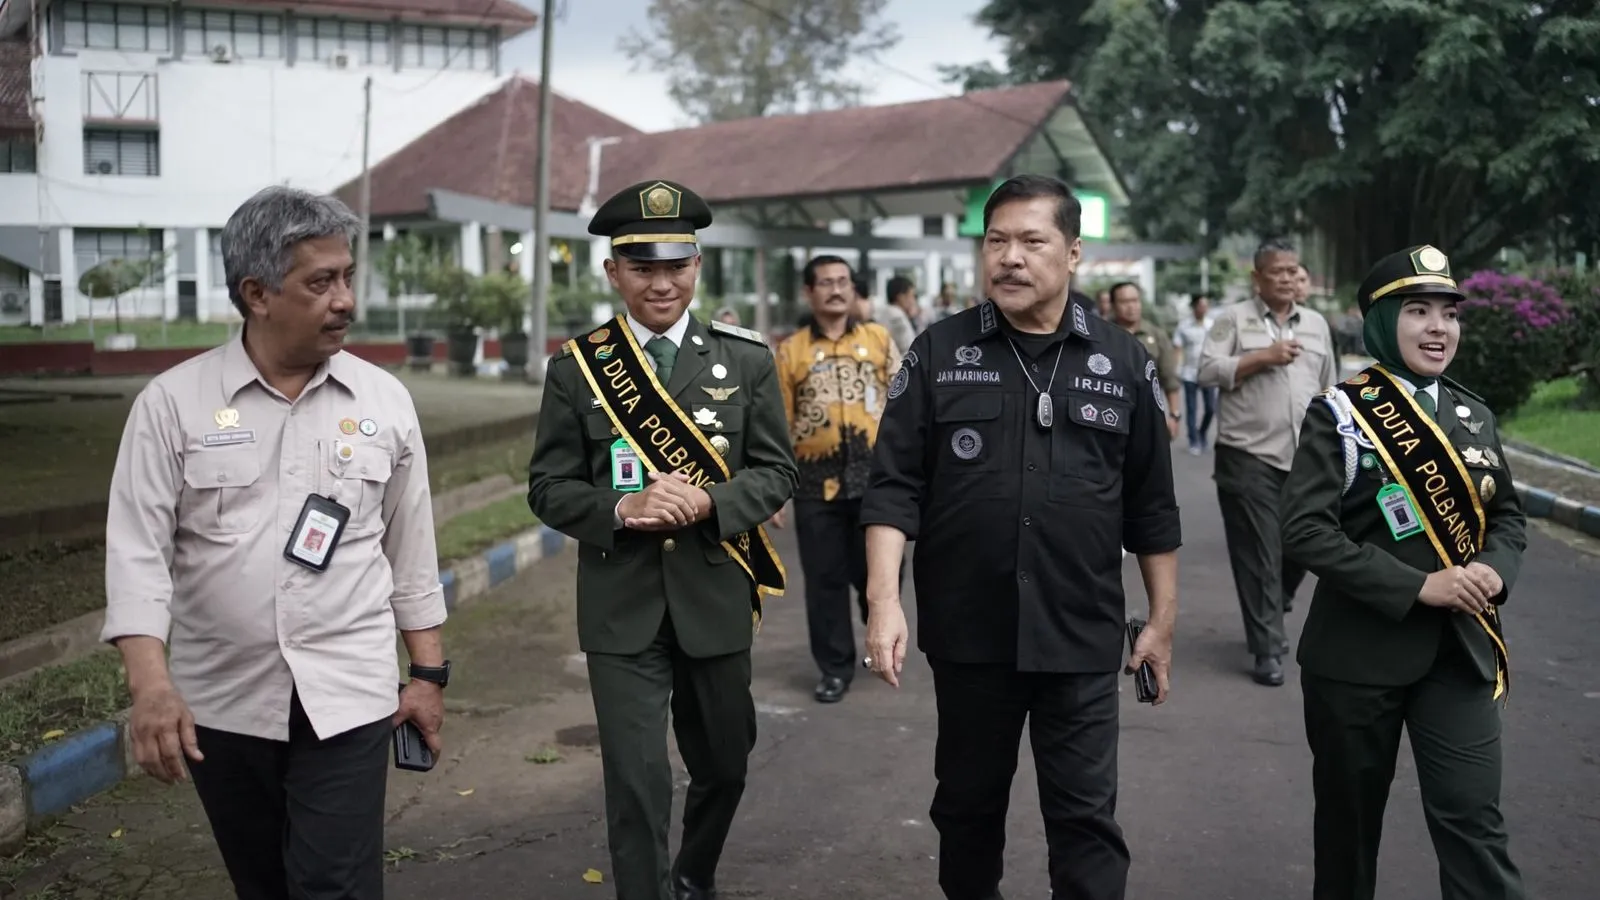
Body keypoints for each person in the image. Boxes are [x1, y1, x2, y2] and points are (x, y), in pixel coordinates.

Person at [102, 186, 450, 900]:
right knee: (262, 884)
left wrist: (428, 675)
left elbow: (411, 550)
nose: (346, 299)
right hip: (224, 703)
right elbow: (137, 554)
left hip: (348, 696)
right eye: (321, 282)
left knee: (332, 885)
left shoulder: (384, 402)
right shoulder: (172, 404)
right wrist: (152, 686)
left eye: (348, 276)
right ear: (256, 293)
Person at [860, 173, 1181, 900]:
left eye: (1031, 241)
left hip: (1082, 634)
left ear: (1072, 254)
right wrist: (884, 600)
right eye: (996, 241)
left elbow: (1152, 510)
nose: (1009, 257)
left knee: (1086, 824)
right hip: (972, 637)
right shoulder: (938, 351)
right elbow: (892, 488)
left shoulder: (1123, 363)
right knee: (967, 813)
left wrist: (1161, 624)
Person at [526, 179, 797, 900]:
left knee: (726, 765)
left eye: (675, 265)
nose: (661, 282)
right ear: (613, 272)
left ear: (698, 267)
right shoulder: (576, 370)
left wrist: (712, 499)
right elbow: (548, 486)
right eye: (642, 267)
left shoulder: (745, 361)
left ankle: (694, 870)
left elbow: (776, 470)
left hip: (714, 593)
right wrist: (621, 508)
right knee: (637, 782)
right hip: (623, 607)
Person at [1282, 244, 1526, 900]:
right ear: (1383, 322)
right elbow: (1305, 531)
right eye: (1417, 311)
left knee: (1476, 822)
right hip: (1357, 660)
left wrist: (1495, 573)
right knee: (1348, 832)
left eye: (1448, 313)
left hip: (1460, 655)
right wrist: (1417, 585)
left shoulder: (1475, 415)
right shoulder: (1341, 414)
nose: (1438, 328)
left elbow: (1507, 520)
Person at [1197, 237, 1338, 687]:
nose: (1287, 278)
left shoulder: (1315, 324)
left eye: (1293, 270)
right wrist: (1261, 358)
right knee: (1260, 551)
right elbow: (1205, 369)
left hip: (1302, 456)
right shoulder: (1232, 319)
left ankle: (1270, 608)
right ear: (1257, 278)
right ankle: (1267, 649)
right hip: (1247, 455)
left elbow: (1329, 388)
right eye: (1277, 271)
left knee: (1302, 545)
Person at [773, 255, 900, 704]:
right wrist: (775, 490)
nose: (835, 290)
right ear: (809, 292)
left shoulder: (880, 341)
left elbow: (903, 411)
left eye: (843, 281)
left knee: (880, 575)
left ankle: (877, 624)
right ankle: (833, 668)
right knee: (824, 581)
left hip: (876, 485)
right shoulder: (790, 352)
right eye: (825, 282)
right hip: (815, 487)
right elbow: (778, 424)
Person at [1108, 281, 1182, 440]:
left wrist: (1174, 415)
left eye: (1135, 301)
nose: (1131, 306)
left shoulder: (1156, 335)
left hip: (1147, 412)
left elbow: (1169, 377)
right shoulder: (1103, 333)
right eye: (1124, 302)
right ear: (1113, 305)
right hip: (1110, 411)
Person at [1173, 293, 1219, 455]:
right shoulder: (1184, 326)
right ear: (1194, 307)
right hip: (1189, 373)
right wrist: (1177, 369)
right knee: (1191, 409)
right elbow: (1178, 348)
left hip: (1208, 371)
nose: (1203, 309)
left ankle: (1202, 433)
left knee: (1211, 408)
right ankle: (1193, 440)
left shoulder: (1212, 325)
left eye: (1206, 306)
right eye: (1201, 305)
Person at [880, 274, 921, 357]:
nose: (913, 301)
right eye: (912, 296)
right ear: (901, 297)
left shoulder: (887, 312)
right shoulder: (897, 316)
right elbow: (908, 348)